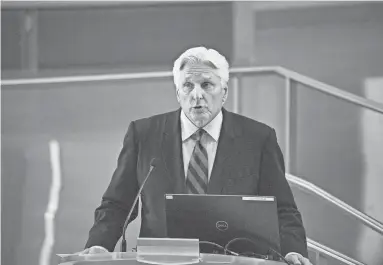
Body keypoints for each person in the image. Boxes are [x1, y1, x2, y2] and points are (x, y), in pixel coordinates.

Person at [81, 47, 312, 265]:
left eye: (207, 84)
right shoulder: (144, 135)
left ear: (224, 92)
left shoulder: (258, 138)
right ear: (177, 93)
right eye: (188, 85)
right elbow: (117, 204)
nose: (197, 95)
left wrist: (293, 250)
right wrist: (100, 245)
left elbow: (282, 209)